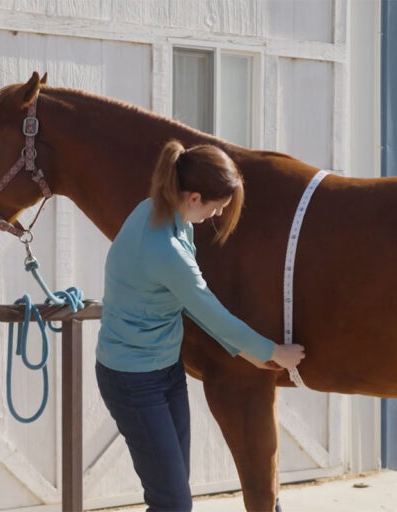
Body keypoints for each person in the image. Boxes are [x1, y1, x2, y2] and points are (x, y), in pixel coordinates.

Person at [95, 140, 305, 512]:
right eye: (218, 207)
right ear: (194, 198)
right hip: (133, 381)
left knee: (172, 496)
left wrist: (252, 354)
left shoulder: (157, 212)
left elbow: (191, 302)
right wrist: (272, 352)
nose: (218, 215)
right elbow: (208, 310)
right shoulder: (166, 249)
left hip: (165, 371)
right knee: (173, 502)